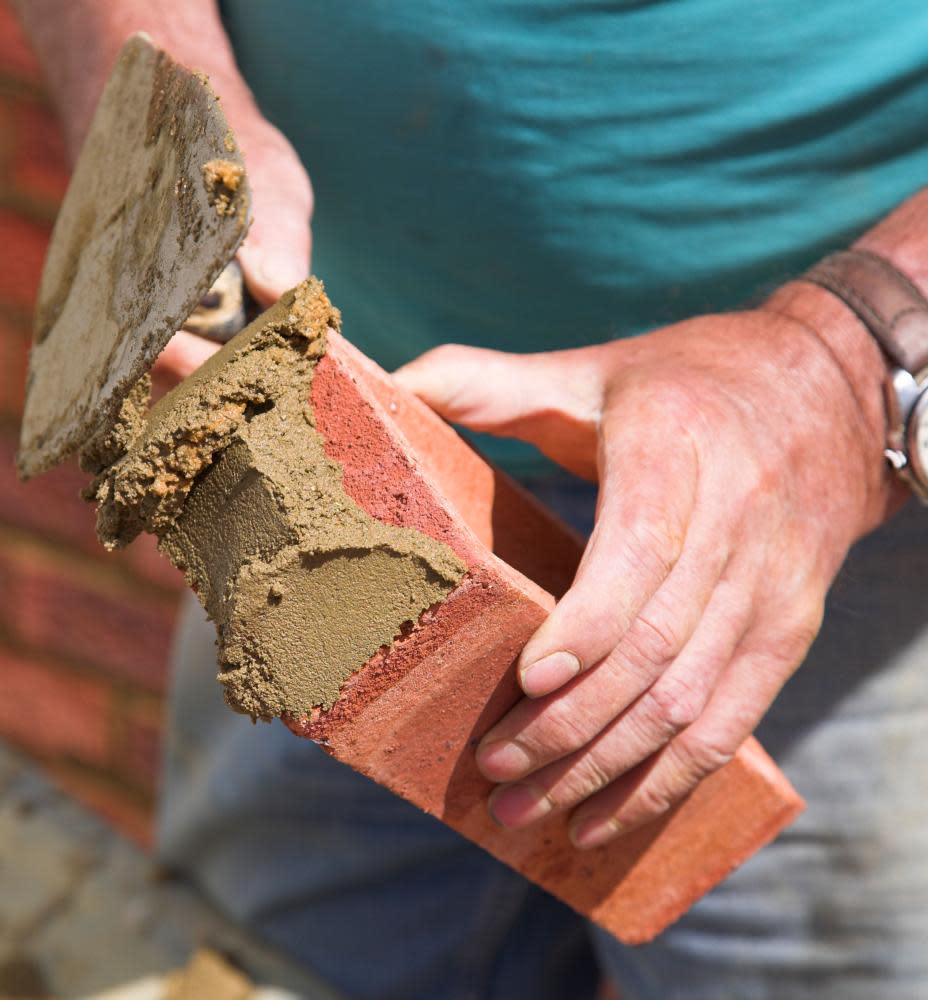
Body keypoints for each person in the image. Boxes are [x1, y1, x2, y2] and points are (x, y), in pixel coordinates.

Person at [17, 2, 928, 997]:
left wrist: (847, 370)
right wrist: (146, 72)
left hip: (810, 490)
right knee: (258, 970)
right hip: (314, 434)